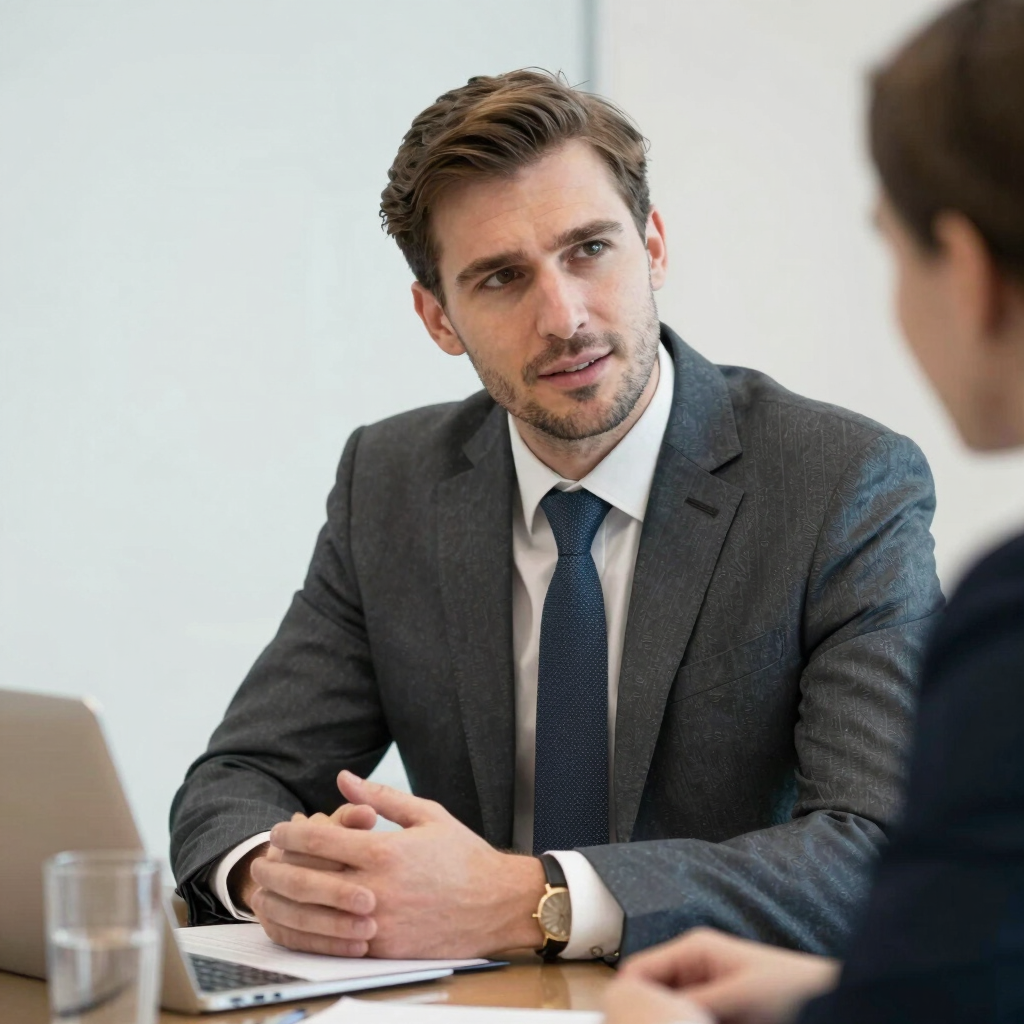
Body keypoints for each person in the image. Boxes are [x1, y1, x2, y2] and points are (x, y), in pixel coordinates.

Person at [170, 70, 943, 963]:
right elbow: (238, 779)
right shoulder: (390, 483)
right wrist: (278, 877)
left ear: (652, 246)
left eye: (588, 250)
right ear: (438, 318)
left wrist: (532, 901)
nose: (564, 316)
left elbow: (878, 849)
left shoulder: (841, 485)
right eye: (500, 278)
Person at [603, 0, 1024, 1019]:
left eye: (891, 248)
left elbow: (873, 849)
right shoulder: (389, 473)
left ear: (964, 271)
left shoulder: (999, 607)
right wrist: (836, 993)